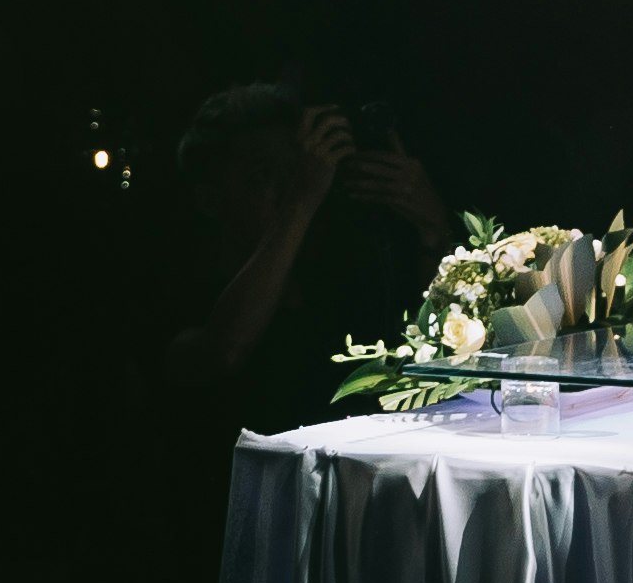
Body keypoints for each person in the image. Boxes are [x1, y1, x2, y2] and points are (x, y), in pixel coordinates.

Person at [154, 85, 454, 450]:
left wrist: (432, 228)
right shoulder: (176, 285)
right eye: (263, 174)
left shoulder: (336, 269)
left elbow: (423, 359)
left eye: (294, 170)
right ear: (209, 197)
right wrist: (303, 196)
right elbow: (223, 352)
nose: (287, 187)